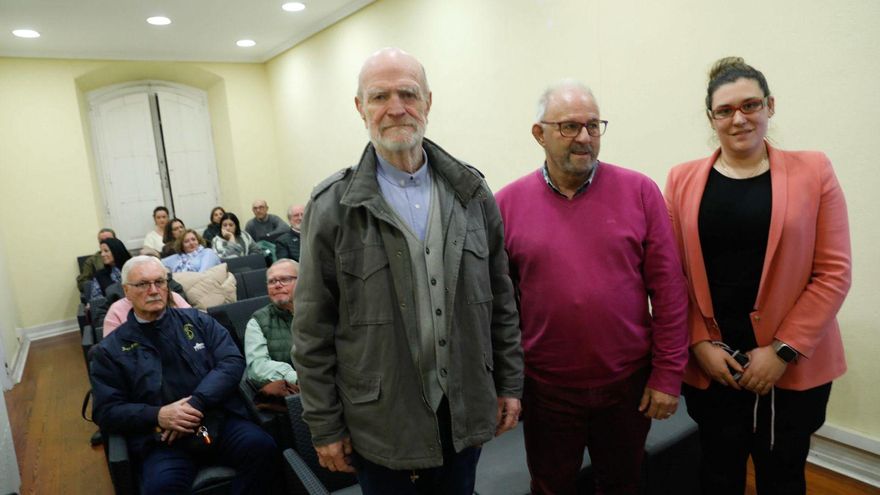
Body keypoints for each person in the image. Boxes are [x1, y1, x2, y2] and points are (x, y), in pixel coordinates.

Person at [292, 47, 523, 495]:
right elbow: (312, 332)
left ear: (428, 103)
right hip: (382, 423)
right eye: (379, 96)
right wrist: (324, 425)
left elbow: (502, 300)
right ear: (360, 108)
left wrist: (510, 383)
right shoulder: (333, 207)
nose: (395, 108)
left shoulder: (472, 194)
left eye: (408, 94)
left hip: (464, 409)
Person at [664, 57, 851, 495]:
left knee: (782, 475)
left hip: (792, 367)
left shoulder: (814, 170)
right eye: (725, 110)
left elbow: (833, 272)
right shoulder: (681, 180)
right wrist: (698, 343)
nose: (739, 118)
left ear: (770, 105)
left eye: (750, 105)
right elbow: (671, 277)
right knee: (717, 472)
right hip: (715, 366)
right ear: (711, 118)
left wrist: (781, 351)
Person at [495, 80, 689, 495]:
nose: (584, 137)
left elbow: (670, 290)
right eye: (569, 127)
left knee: (621, 484)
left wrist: (668, 376)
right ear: (539, 133)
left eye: (593, 126)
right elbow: (501, 309)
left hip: (627, 385)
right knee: (550, 486)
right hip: (547, 389)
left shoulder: (640, 192)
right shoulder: (506, 205)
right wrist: (508, 385)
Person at [89, 256, 279, 493]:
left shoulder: (198, 321)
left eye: (160, 282)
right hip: (163, 440)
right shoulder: (110, 350)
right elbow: (106, 410)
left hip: (215, 420)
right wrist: (158, 415)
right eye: (143, 284)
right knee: (160, 488)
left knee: (262, 449)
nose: (153, 290)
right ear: (127, 291)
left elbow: (231, 362)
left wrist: (197, 401)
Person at [244, 259, 300, 403]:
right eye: (272, 281)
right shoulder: (257, 322)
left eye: (285, 279)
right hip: (295, 394)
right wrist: (296, 377)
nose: (277, 285)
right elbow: (258, 367)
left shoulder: (321, 309)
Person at [84, 237, 133, 302]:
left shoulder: (133, 269)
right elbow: (96, 301)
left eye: (106, 251)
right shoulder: (100, 276)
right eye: (101, 252)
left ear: (116, 251)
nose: (102, 254)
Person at [77, 228, 116, 293]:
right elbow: (82, 284)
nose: (105, 243)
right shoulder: (91, 261)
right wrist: (97, 284)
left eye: (109, 239)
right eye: (102, 241)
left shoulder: (124, 254)